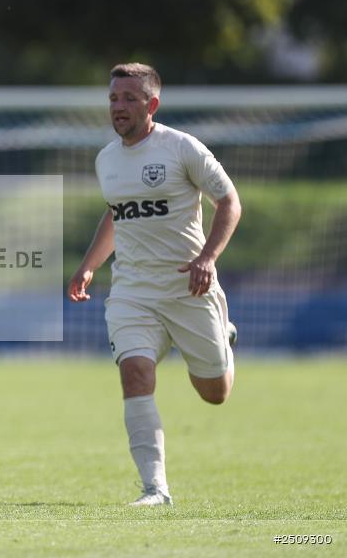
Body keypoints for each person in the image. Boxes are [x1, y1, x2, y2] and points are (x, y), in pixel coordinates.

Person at [68, 63, 241, 506]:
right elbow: (116, 213)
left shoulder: (182, 148)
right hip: (132, 291)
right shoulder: (106, 159)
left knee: (215, 394)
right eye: (113, 99)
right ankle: (155, 489)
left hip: (189, 287)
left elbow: (228, 201)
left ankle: (223, 334)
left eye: (129, 98)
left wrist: (207, 258)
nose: (119, 107)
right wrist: (89, 266)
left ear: (153, 104)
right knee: (135, 372)